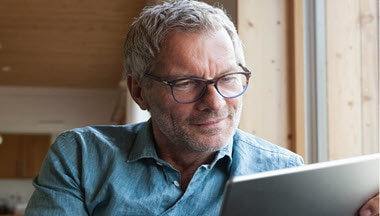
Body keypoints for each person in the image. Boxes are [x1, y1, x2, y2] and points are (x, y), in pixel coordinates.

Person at [25, 0, 378, 215]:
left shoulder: (283, 171)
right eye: (186, 83)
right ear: (139, 91)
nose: (215, 103)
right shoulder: (82, 157)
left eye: (228, 78)